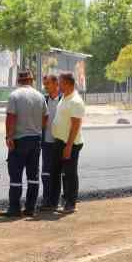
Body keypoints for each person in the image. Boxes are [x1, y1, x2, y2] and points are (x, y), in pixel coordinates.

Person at [0, 70, 47, 217]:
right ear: (31, 80)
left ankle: (14, 208)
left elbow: (11, 118)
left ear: (18, 81)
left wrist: (9, 137)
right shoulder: (39, 96)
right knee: (33, 175)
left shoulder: (15, 95)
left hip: (19, 140)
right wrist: (37, 129)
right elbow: (45, 118)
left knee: (16, 175)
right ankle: (30, 208)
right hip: (36, 139)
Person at [47, 72, 86, 213]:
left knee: (70, 174)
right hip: (59, 141)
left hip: (71, 143)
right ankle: (53, 203)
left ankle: (70, 203)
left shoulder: (76, 101)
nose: (59, 85)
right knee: (55, 172)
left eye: (61, 83)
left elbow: (76, 125)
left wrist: (69, 146)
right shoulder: (64, 97)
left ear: (69, 83)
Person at [39, 73, 62, 211]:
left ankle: (56, 201)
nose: (45, 86)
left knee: (58, 173)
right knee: (46, 173)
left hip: (60, 143)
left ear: (56, 84)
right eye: (45, 84)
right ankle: (46, 200)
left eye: (48, 84)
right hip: (46, 143)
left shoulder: (64, 100)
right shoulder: (43, 100)